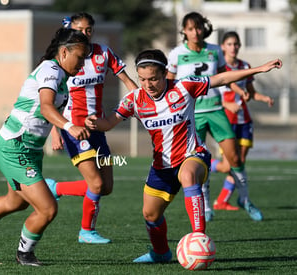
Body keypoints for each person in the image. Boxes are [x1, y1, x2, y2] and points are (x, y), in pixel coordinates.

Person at [85, 49, 281, 263]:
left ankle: (200, 239)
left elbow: (222, 78)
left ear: (165, 74)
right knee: (150, 214)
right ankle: (161, 253)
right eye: (142, 79)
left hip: (193, 155)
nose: (148, 84)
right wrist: (94, 122)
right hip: (162, 166)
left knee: (188, 175)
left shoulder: (183, 87)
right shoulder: (134, 99)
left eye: (153, 79)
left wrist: (260, 69)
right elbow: (109, 123)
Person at [0, 28, 90, 267]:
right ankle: (24, 254)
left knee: (15, 202)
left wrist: (66, 127)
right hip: (14, 147)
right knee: (47, 209)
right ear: (64, 51)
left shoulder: (61, 76)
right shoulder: (51, 69)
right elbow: (47, 107)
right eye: (80, 57)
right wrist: (68, 127)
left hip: (30, 150)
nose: (82, 64)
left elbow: (45, 112)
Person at [46, 12, 138, 244]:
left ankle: (56, 188)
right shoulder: (63, 59)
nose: (85, 34)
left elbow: (127, 81)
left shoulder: (103, 52)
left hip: (99, 128)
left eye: (89, 30)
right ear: (71, 29)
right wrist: (55, 130)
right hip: (74, 129)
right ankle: (86, 231)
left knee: (106, 187)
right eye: (80, 29)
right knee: (95, 183)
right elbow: (51, 100)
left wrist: (143, 99)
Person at [166, 11, 262, 222]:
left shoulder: (215, 50)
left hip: (216, 110)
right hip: (191, 115)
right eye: (190, 28)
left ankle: (244, 200)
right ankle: (207, 206)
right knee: (198, 161)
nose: (195, 32)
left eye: (198, 27)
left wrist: (239, 92)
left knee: (235, 157)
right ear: (184, 31)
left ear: (204, 28)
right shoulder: (176, 54)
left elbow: (225, 78)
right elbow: (169, 85)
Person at [212, 31, 275, 212]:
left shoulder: (244, 66)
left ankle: (223, 200)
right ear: (223, 46)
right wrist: (226, 104)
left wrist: (264, 98)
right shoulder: (217, 67)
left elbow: (250, 92)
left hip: (244, 120)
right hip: (224, 120)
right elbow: (210, 94)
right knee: (227, 165)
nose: (234, 47)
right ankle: (204, 163)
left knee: (239, 163)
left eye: (236, 44)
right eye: (230, 44)